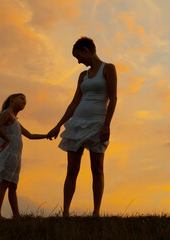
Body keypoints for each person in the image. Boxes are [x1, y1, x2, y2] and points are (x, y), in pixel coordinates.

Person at [48, 37, 117, 217]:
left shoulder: (108, 68)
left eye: (79, 57)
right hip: (77, 123)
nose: (79, 62)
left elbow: (113, 99)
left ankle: (96, 212)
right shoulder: (82, 76)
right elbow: (73, 103)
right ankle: (66, 212)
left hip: (97, 124)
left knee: (97, 168)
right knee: (72, 169)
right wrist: (58, 126)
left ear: (87, 50)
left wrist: (106, 125)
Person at [0, 93, 50, 219]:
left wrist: (46, 135)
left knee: (13, 186)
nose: (24, 102)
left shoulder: (15, 121)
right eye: (21, 98)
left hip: (16, 156)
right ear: (11, 99)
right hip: (9, 154)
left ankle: (16, 215)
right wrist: (7, 140)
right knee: (5, 184)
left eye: (25, 101)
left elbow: (30, 135)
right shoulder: (6, 113)